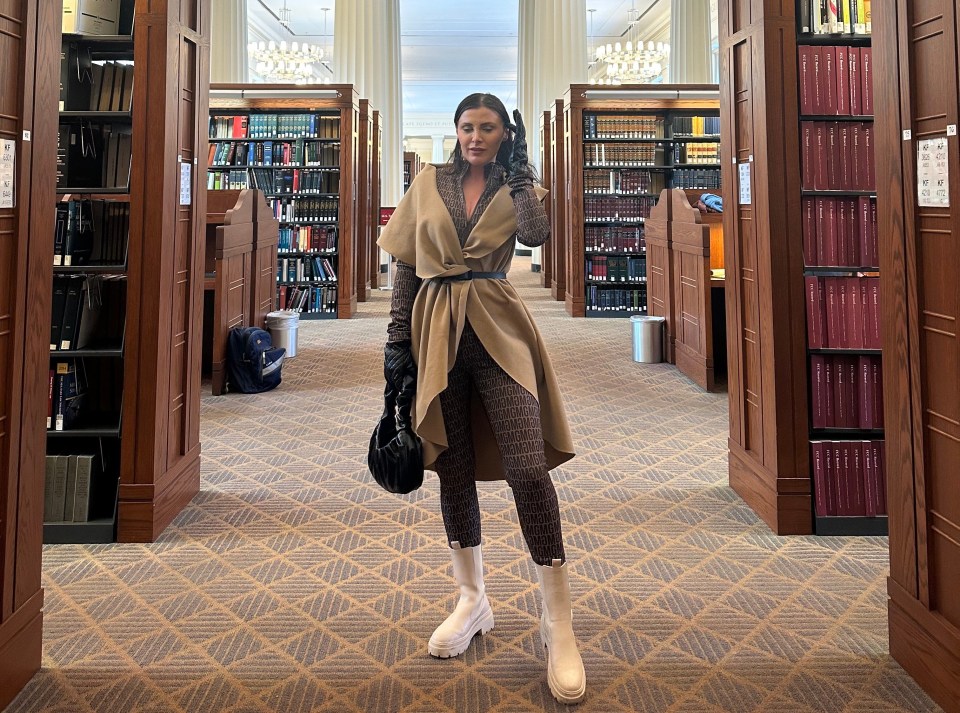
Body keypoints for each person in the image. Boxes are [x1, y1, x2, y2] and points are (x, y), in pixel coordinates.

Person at [377, 92, 585, 704]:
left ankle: (559, 620)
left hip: (497, 321)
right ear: (456, 129)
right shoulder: (429, 182)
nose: (474, 137)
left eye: (487, 129)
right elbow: (407, 269)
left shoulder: (517, 184)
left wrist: (522, 176)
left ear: (502, 134)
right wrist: (396, 349)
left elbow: (538, 237)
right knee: (454, 466)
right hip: (436, 325)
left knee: (526, 465)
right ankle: (472, 598)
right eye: (466, 127)